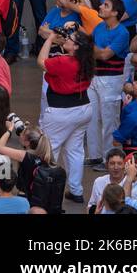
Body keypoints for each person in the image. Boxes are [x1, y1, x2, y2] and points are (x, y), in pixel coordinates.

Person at [37, 27, 95, 202]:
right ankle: (76, 190)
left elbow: (41, 61)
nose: (67, 39)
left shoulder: (64, 62)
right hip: (83, 109)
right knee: (75, 151)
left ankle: (45, 190)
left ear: (77, 47)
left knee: (49, 149)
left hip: (61, 112)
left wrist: (50, 39)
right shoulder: (87, 60)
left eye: (70, 38)